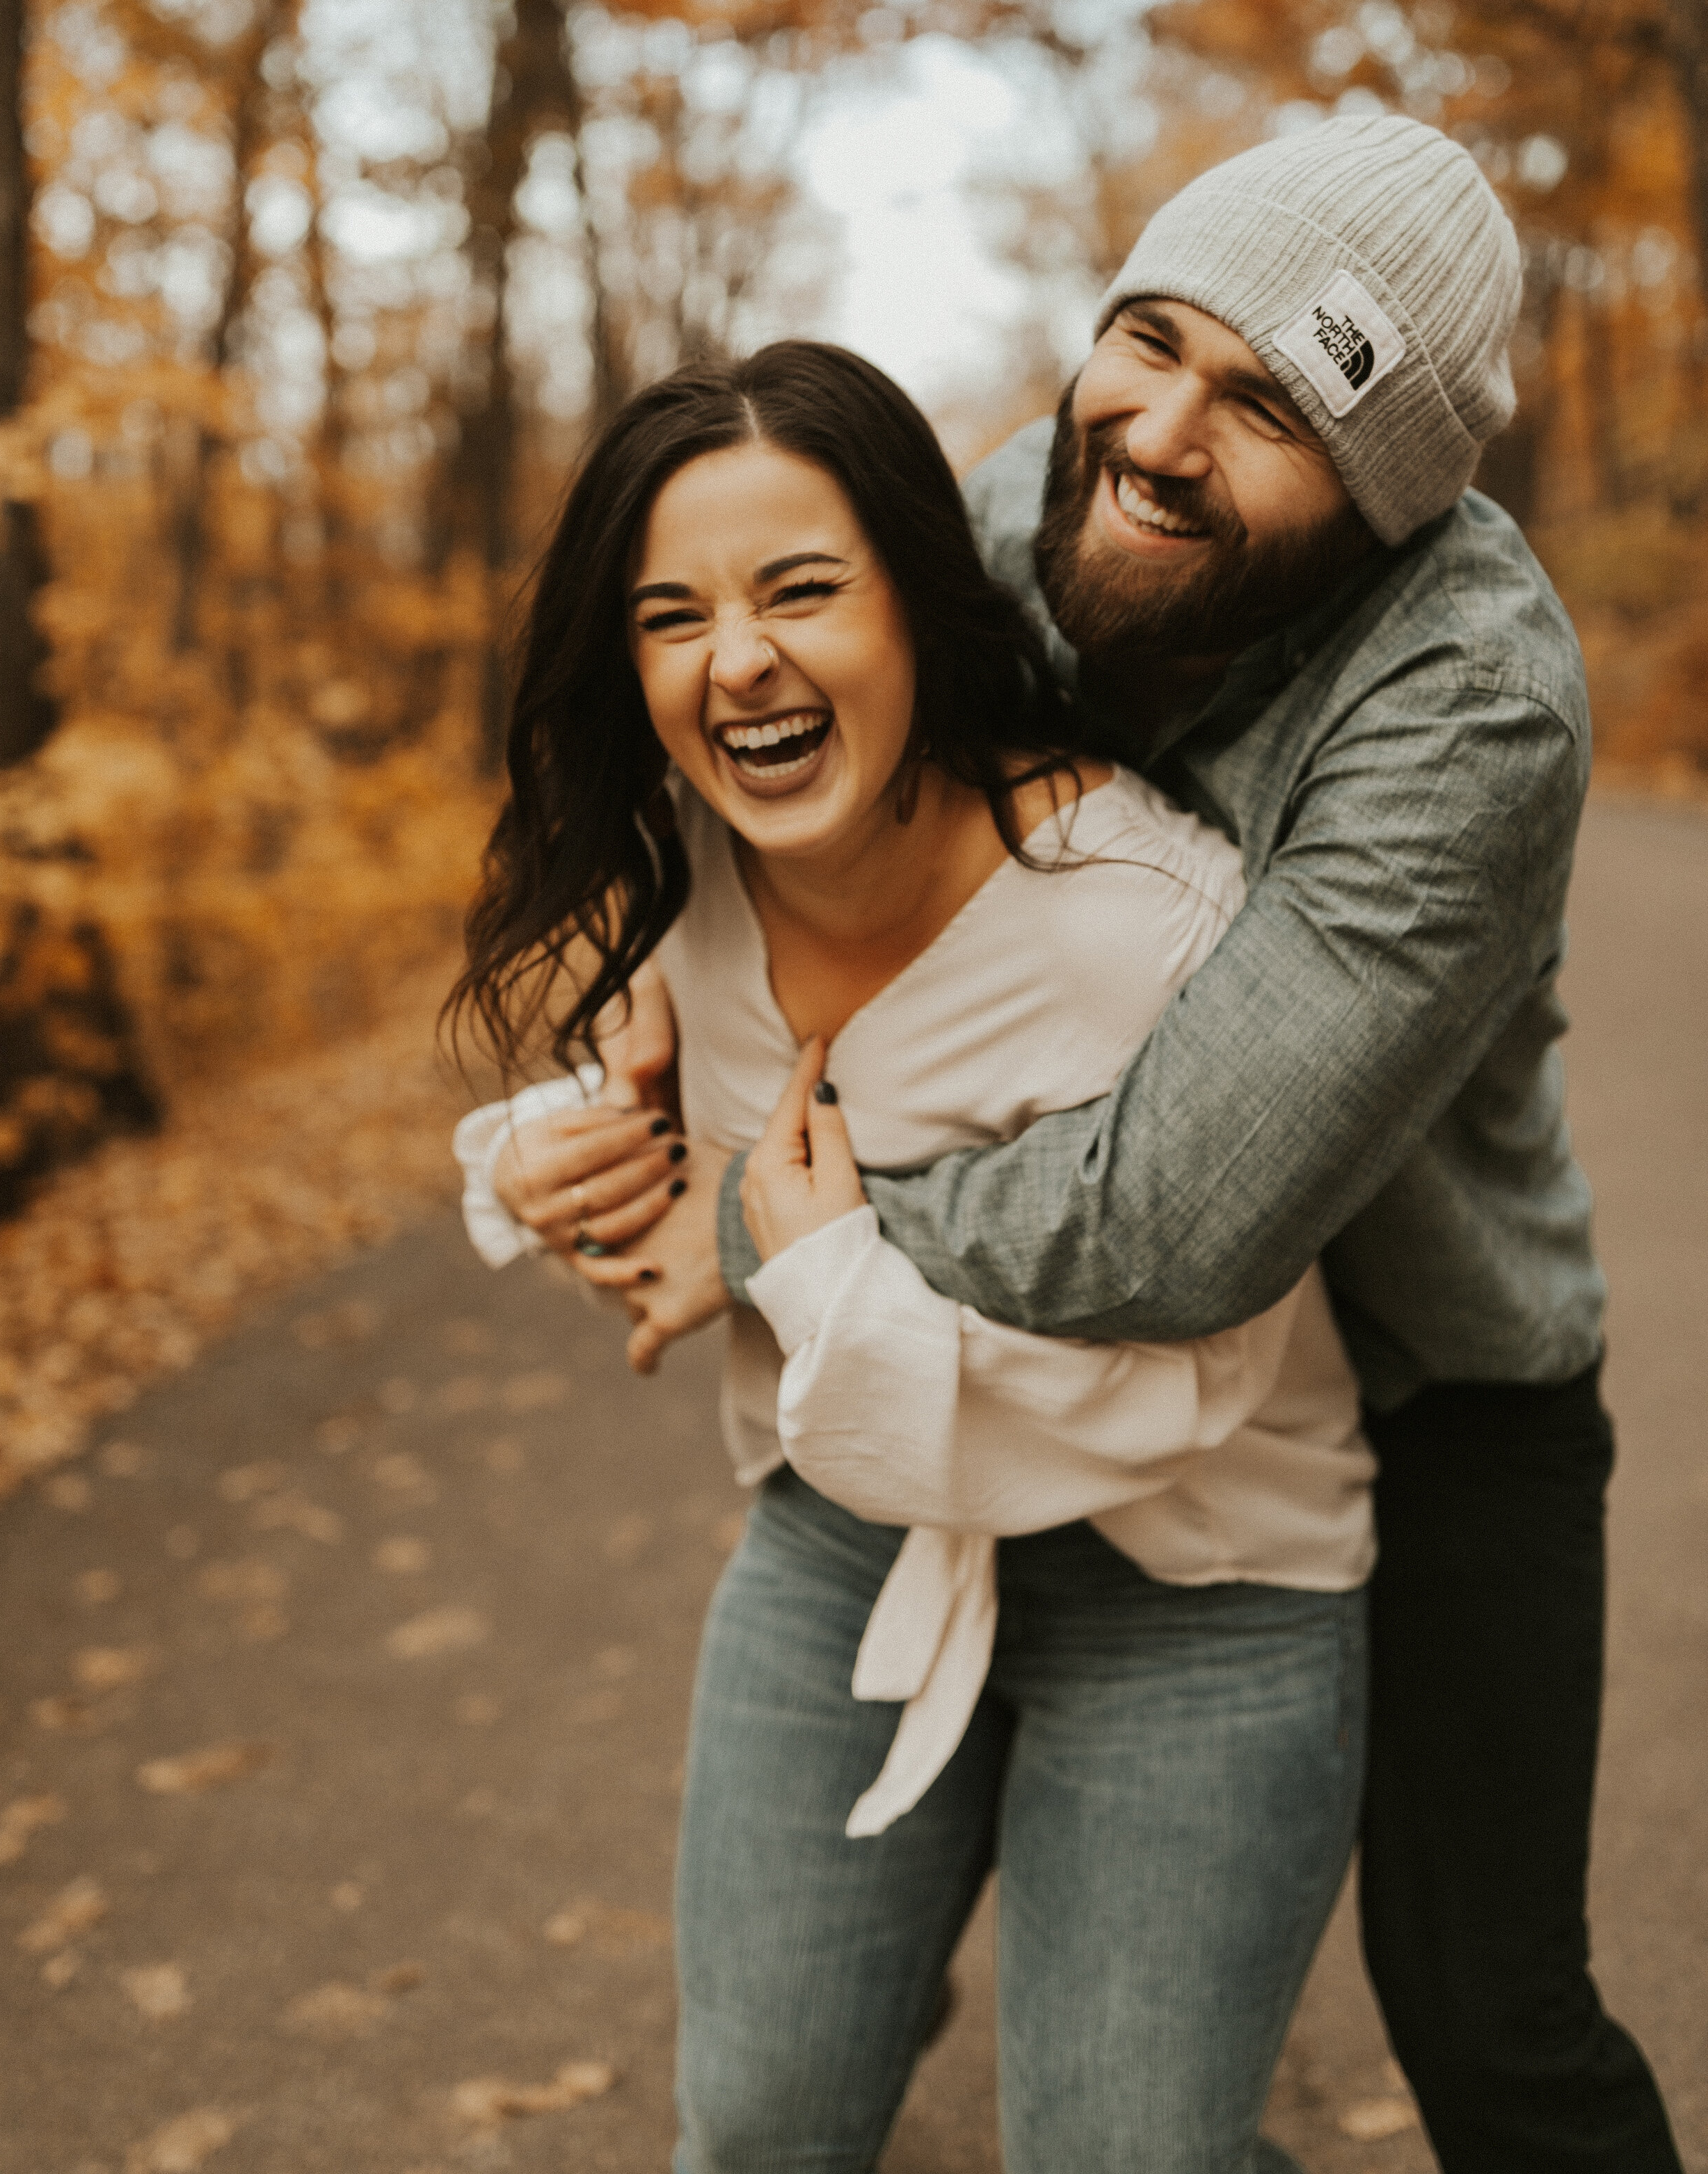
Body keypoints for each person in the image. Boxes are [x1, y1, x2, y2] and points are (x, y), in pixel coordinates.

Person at [491, 117, 1683, 2172]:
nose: (1157, 427)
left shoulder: (1470, 698)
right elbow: (804, 763)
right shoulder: (1022, 508)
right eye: (1147, 339)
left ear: (1389, 494)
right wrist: (639, 1058)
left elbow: (1173, 1214)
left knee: (1485, 2008)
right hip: (1012, 1400)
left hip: (1423, 1374)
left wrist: (761, 1230)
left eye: (1266, 403)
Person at [450, 337, 1380, 2172]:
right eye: (671, 616)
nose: (739, 662)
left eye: (801, 590)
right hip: (850, 1551)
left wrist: (805, 1270)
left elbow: (1178, 1376)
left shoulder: (1141, 927)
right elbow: (685, 1152)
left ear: (918, 606)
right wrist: (562, 1171)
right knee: (760, 2127)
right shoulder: (687, 871)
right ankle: (884, 1974)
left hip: (1200, 1582)